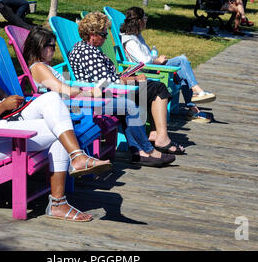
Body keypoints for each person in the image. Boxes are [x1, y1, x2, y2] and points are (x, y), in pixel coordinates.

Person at [0, 41, 112, 222]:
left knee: (52, 98)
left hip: (2, 130)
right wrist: (0, 108)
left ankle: (76, 160)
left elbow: (4, 103)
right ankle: (60, 198)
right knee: (59, 132)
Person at [24, 26, 176, 165]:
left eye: (54, 45)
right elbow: (64, 91)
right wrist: (88, 92)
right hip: (75, 108)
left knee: (126, 103)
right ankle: (147, 150)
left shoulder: (44, 66)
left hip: (76, 103)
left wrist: (83, 90)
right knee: (129, 105)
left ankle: (139, 151)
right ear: (39, 47)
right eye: (50, 45)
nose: (54, 49)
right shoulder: (38, 67)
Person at [69, 12, 185, 155]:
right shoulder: (87, 52)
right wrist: (132, 79)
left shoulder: (88, 49)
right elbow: (106, 83)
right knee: (157, 88)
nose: (106, 38)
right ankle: (156, 140)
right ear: (92, 34)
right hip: (103, 96)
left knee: (154, 88)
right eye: (104, 35)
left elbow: (105, 78)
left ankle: (155, 137)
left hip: (111, 89)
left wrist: (125, 76)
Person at [120, 7, 216, 123]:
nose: (146, 21)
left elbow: (146, 56)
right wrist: (158, 61)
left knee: (182, 66)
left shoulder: (136, 35)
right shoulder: (130, 40)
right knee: (182, 61)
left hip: (152, 67)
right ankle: (195, 95)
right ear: (139, 21)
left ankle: (193, 108)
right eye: (145, 18)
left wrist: (157, 59)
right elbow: (144, 62)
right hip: (146, 71)